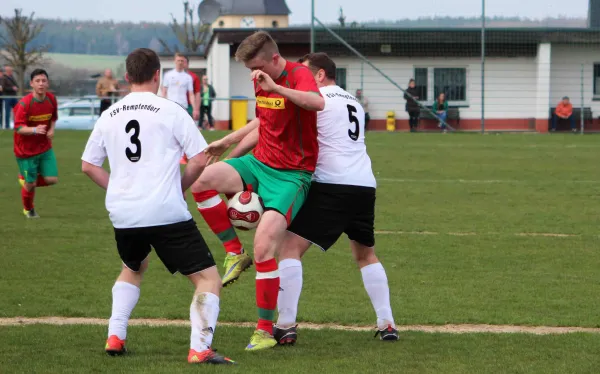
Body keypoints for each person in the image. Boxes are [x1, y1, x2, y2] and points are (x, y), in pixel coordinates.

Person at [221, 52, 400, 345]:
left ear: (319, 75)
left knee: (289, 248)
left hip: (330, 183)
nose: (298, 80)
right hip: (364, 185)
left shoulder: (313, 98)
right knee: (366, 254)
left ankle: (285, 325)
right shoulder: (352, 100)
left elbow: (266, 127)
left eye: (304, 74)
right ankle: (387, 323)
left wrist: (231, 156)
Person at [80, 48, 234, 365]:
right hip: (165, 210)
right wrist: (178, 188)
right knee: (208, 279)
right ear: (157, 76)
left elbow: (88, 165)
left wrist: (120, 189)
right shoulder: (171, 110)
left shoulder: (108, 115)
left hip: (124, 213)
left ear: (126, 77)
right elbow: (201, 158)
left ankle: (115, 336)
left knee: (133, 267)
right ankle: (200, 349)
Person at [190, 31, 324, 351]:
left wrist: (277, 88)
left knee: (265, 245)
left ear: (275, 59)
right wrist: (228, 146)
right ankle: (235, 253)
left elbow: (317, 102)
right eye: (250, 69)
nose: (254, 74)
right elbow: (263, 122)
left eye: (257, 67)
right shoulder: (260, 77)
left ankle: (264, 329)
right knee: (201, 180)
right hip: (260, 162)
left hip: (292, 176)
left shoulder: (298, 74)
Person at [13, 69, 59, 218]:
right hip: (25, 152)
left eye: (43, 81)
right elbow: (18, 128)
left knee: (52, 179)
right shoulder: (24, 104)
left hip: (44, 147)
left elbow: (53, 117)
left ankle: (27, 180)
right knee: (31, 184)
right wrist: (34, 129)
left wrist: (51, 129)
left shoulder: (51, 99)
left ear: (48, 83)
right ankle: (28, 209)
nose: (41, 84)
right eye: (37, 81)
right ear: (31, 84)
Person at [161, 53, 199, 121]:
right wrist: (163, 105)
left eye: (182, 61)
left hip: (183, 106)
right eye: (178, 60)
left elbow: (191, 94)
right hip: (171, 106)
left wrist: (195, 109)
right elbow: (164, 92)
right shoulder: (168, 75)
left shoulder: (188, 77)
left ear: (184, 62)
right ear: (175, 61)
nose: (180, 62)